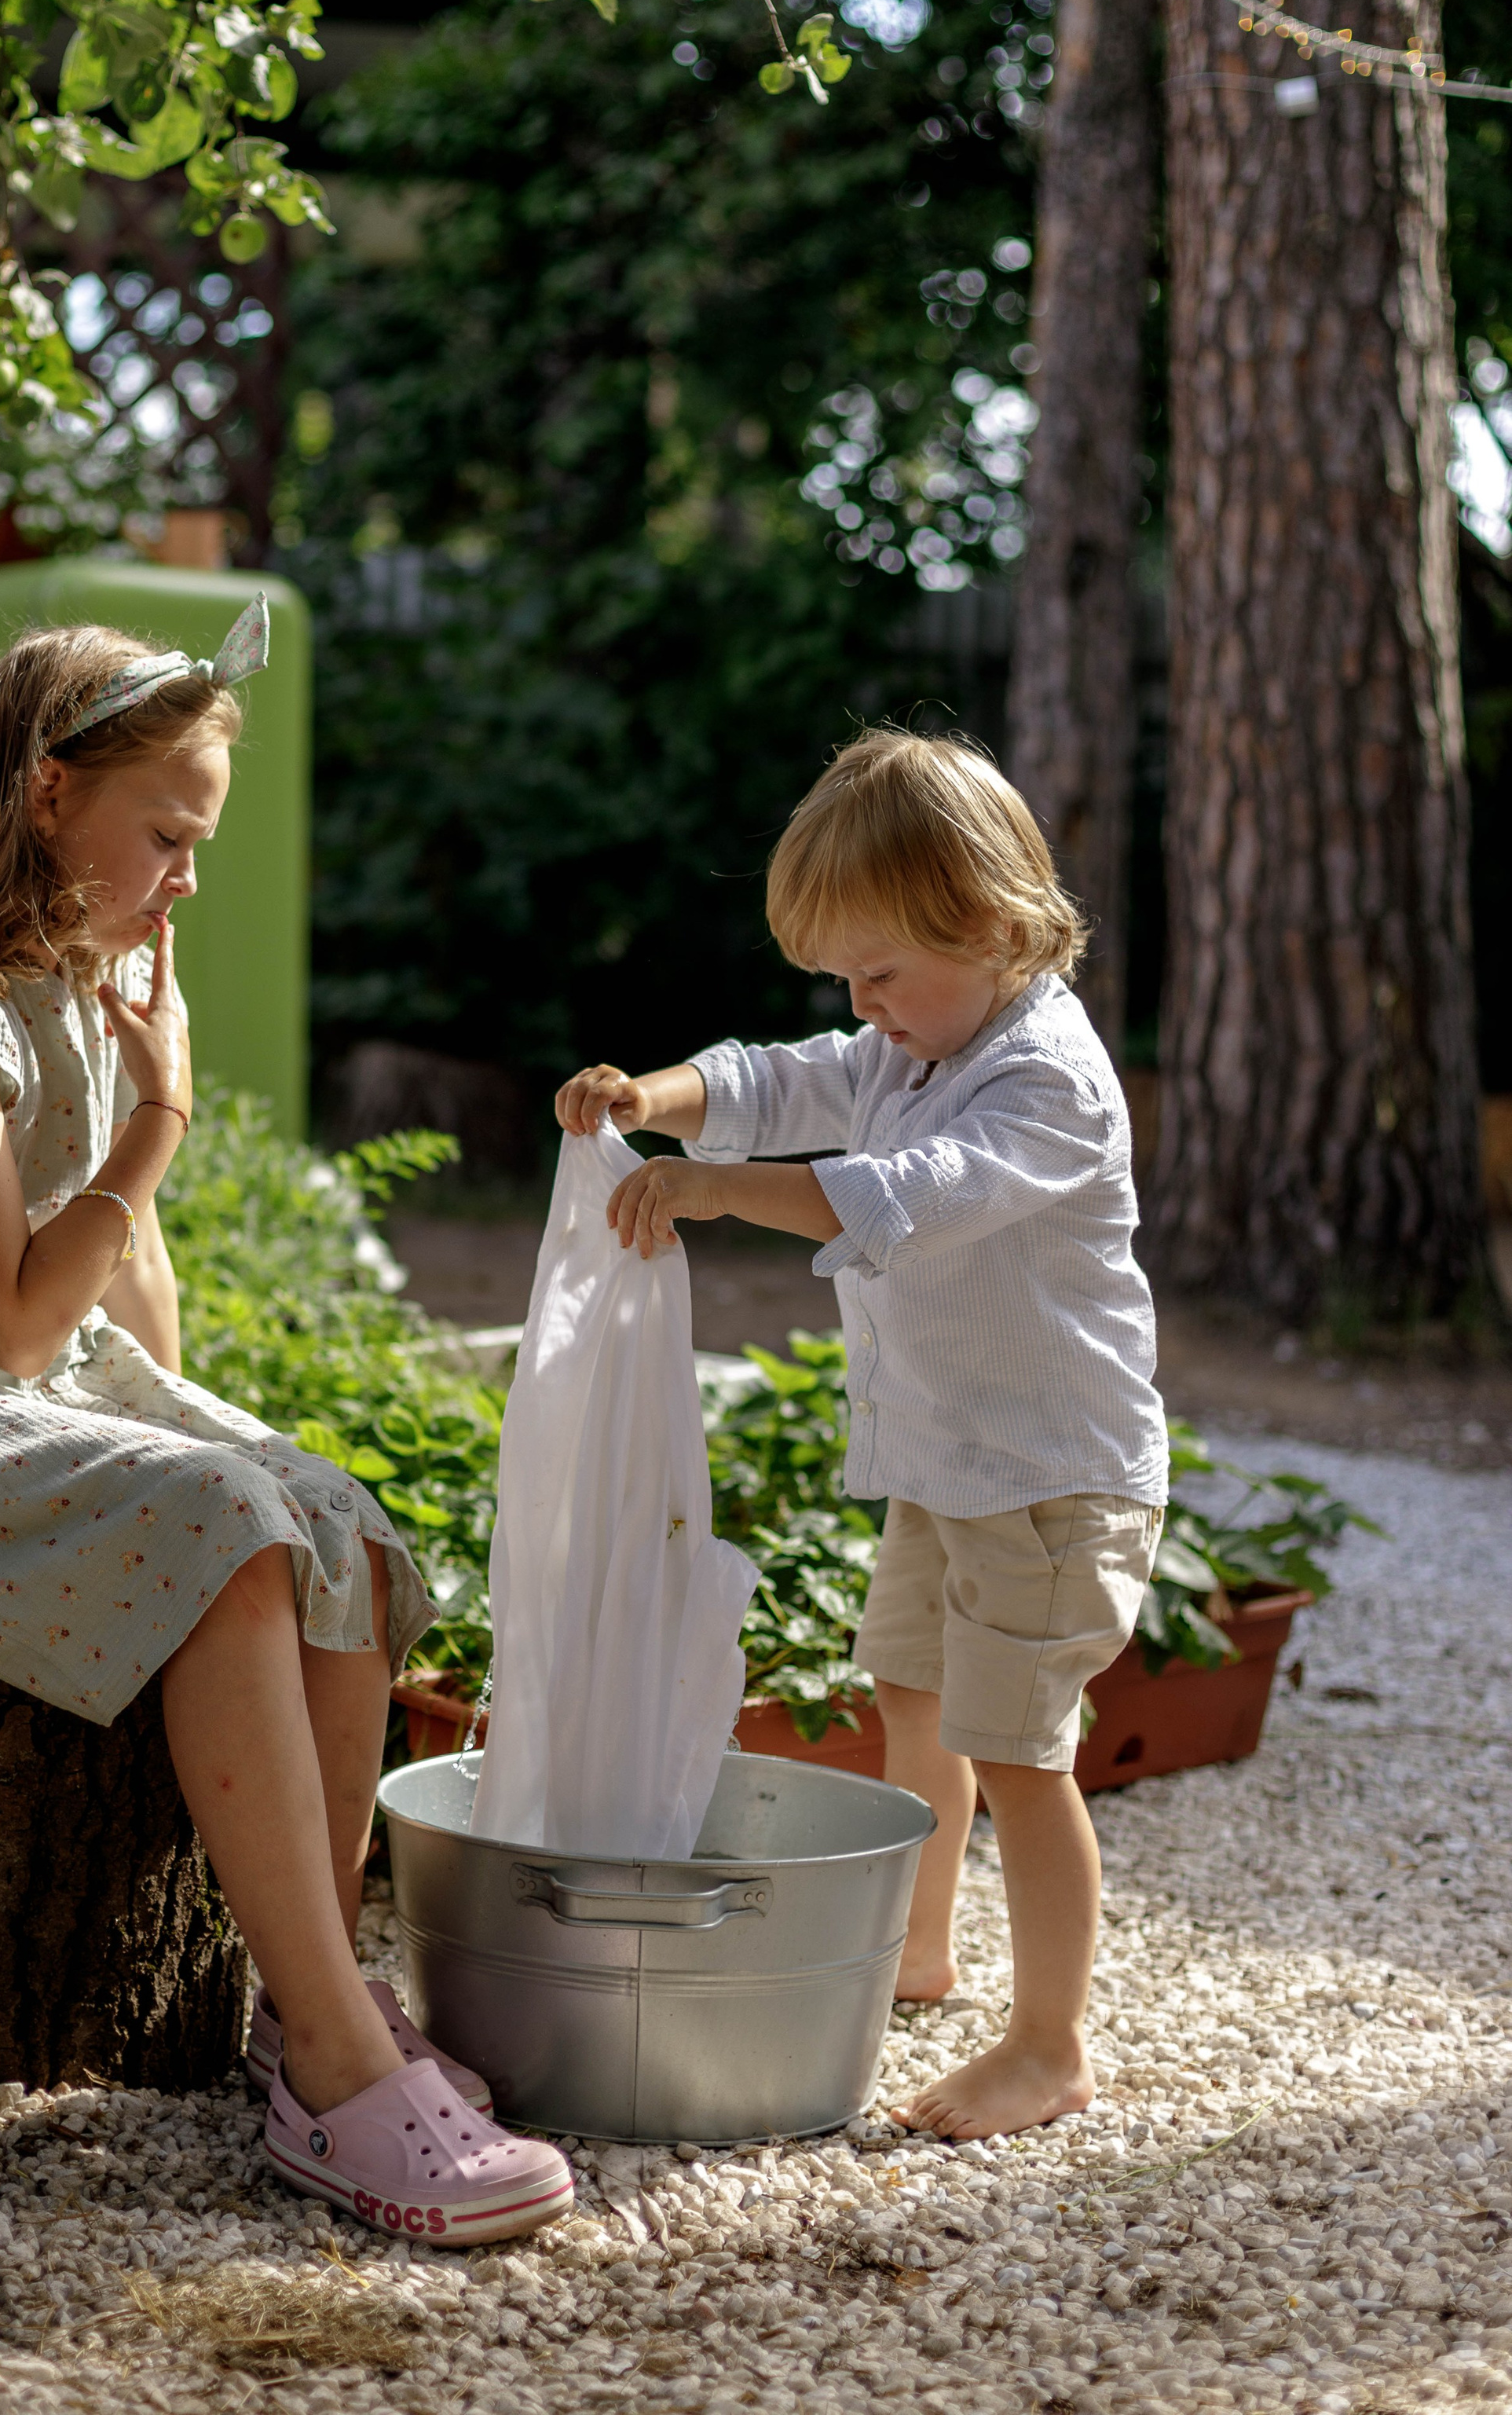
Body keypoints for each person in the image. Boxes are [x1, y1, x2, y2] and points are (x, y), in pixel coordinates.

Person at [0, 606, 571, 2244]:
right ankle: (334, 2065)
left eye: (201, 840)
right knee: (224, 1528)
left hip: (0, 1382)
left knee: (320, 1516)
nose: (188, 875)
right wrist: (163, 1114)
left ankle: (306, 2004)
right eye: (166, 832)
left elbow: (123, 1290)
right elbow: (15, 1315)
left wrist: (198, 1428)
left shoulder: (73, 976)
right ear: (50, 796)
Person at [553, 727, 1166, 2141]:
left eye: (880, 972)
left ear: (998, 926)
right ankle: (922, 1946)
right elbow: (779, 1079)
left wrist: (716, 1190)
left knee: (1023, 1753)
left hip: (1051, 1483)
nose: (862, 1005)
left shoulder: (1044, 1084)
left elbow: (899, 1196)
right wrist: (661, 1099)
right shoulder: (910, 1040)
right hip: (947, 1466)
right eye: (846, 978)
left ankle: (1052, 2041)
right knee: (912, 1698)